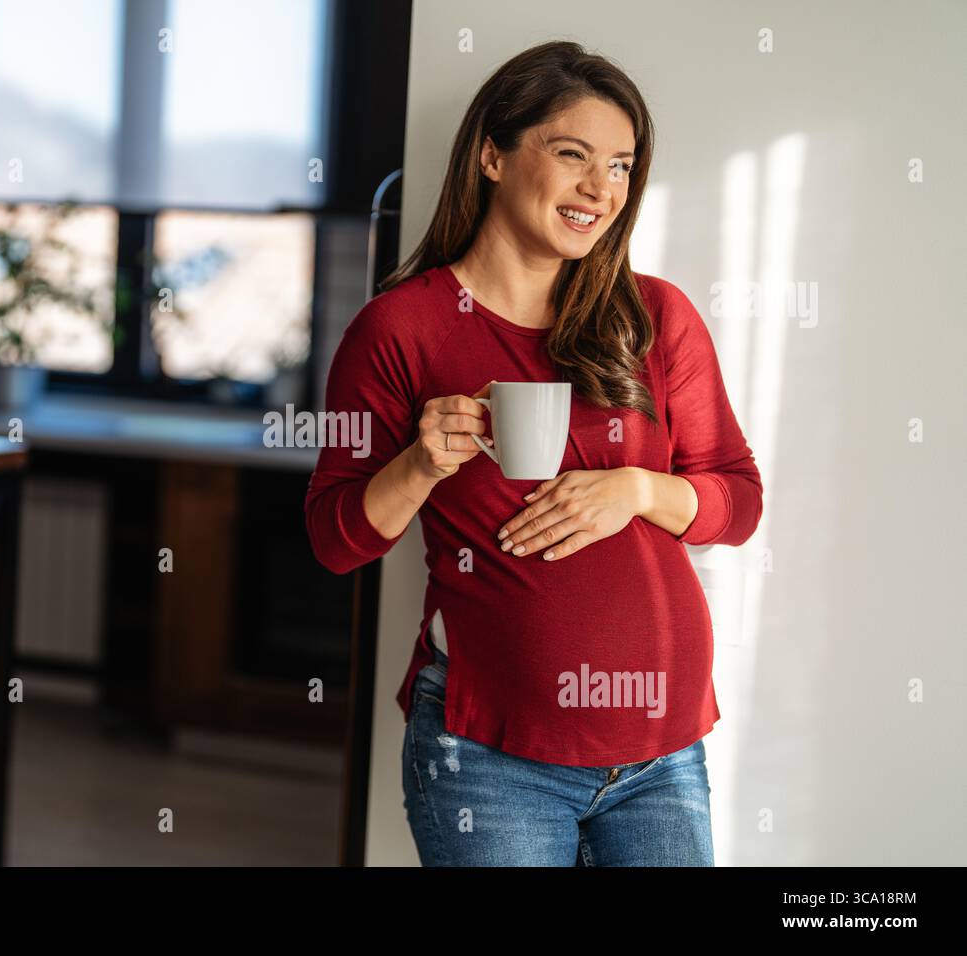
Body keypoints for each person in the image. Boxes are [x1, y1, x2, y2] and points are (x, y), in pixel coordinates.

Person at [304, 40, 764, 866]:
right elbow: (337, 541)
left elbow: (738, 499)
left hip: (663, 755)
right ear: (491, 153)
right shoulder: (401, 329)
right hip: (491, 763)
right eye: (573, 155)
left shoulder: (653, 318)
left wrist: (635, 489)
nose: (601, 188)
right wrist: (421, 462)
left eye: (621, 165)